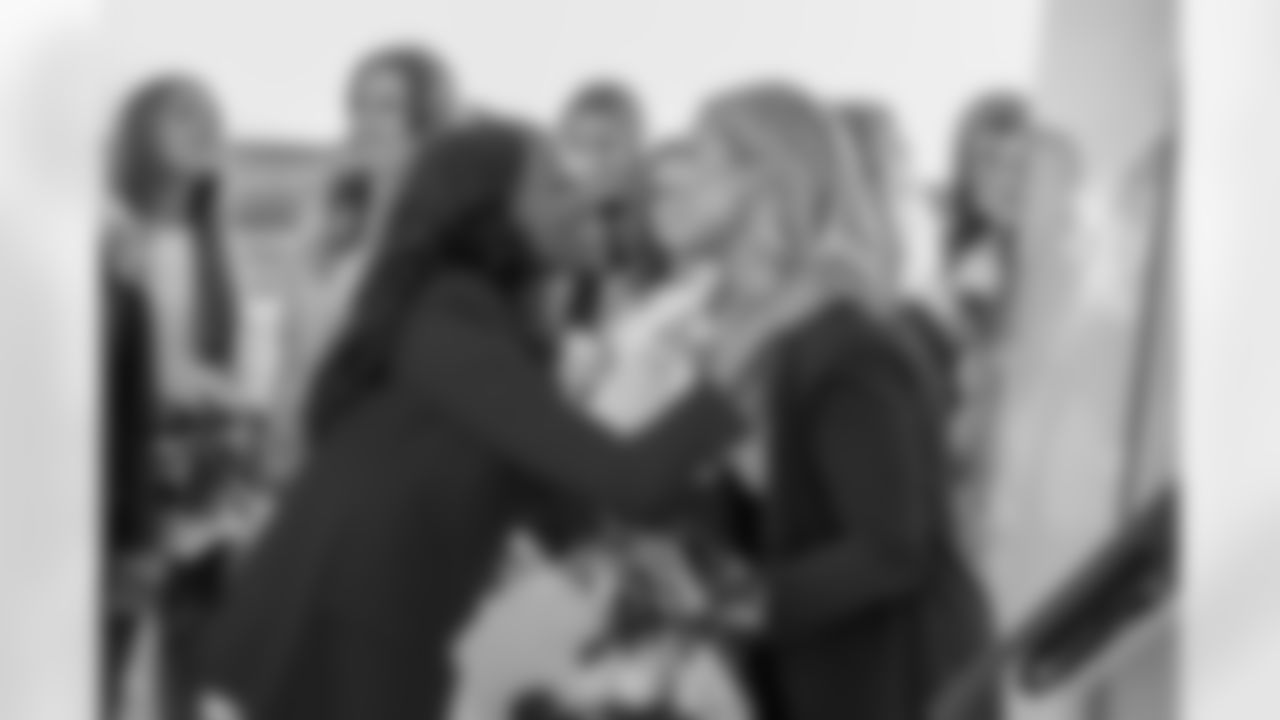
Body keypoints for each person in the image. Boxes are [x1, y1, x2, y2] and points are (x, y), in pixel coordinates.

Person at [197, 121, 802, 720]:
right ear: (488, 215)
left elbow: (573, 505)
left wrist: (703, 574)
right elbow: (624, 482)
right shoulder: (452, 314)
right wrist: (744, 359)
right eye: (554, 186)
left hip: (373, 629)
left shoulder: (494, 326)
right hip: (336, 636)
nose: (583, 202)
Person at [650, 82, 1002, 720]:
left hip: (900, 682)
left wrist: (735, 605)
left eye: (699, 157)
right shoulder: (745, 338)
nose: (672, 176)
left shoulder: (843, 342)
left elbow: (892, 549)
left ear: (764, 179)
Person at [105, 73, 250, 720]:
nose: (202, 129)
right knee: (110, 646)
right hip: (129, 468)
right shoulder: (110, 233)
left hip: (203, 472)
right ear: (140, 133)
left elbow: (226, 364)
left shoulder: (216, 243)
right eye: (181, 116)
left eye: (209, 117)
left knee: (193, 652)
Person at [269, 44, 456, 482]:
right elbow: (292, 358)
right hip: (305, 465)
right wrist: (278, 457)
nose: (366, 121)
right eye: (359, 105)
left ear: (428, 119)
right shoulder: (321, 227)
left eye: (388, 107)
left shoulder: (440, 240)